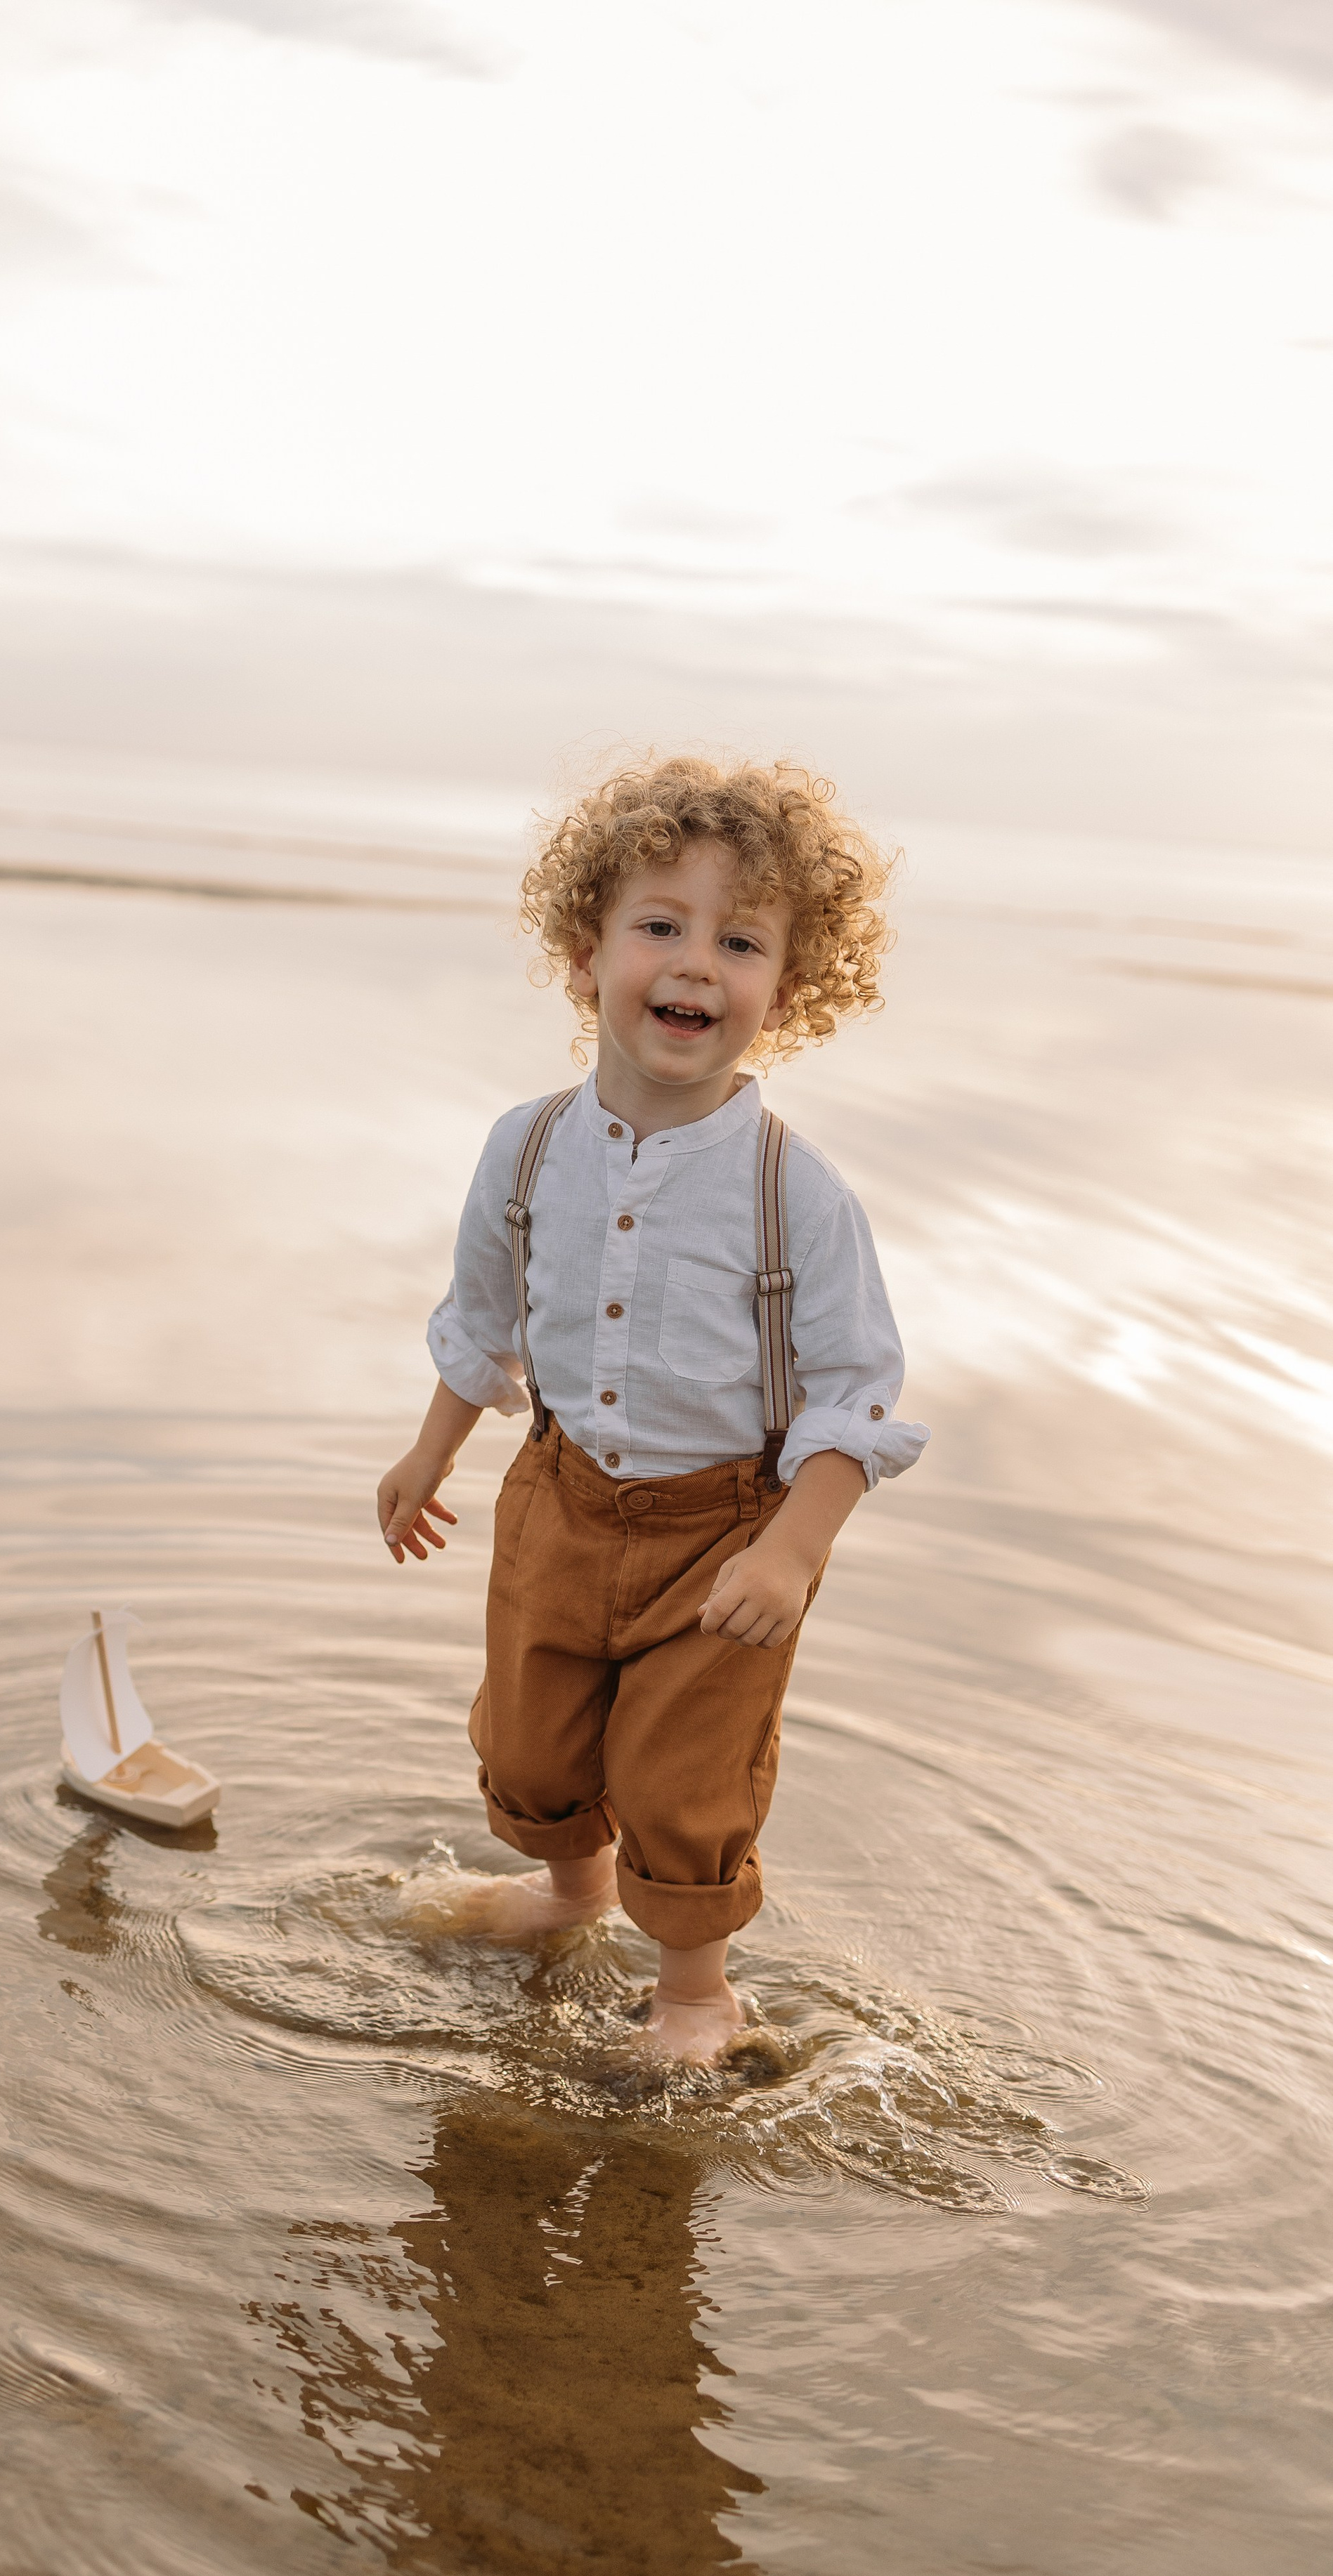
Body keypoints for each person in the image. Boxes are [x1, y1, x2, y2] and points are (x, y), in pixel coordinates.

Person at [375, 754, 928, 2065]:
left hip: (723, 1533)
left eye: (739, 941)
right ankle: (569, 1897)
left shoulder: (796, 1189)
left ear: (784, 991)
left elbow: (856, 1394)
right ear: (587, 953)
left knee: (690, 1771)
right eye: (660, 926)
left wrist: (792, 1551)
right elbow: (484, 1321)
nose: (696, 964)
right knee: (533, 1727)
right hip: (559, 1497)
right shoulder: (523, 1149)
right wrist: (427, 1451)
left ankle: (693, 1995)